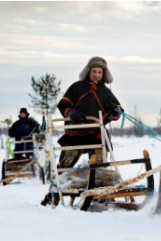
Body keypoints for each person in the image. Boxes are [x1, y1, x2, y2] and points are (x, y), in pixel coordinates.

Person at [41, 56, 123, 206]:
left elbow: (117, 109)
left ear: (103, 74)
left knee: (100, 166)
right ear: (88, 71)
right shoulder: (77, 87)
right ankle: (53, 193)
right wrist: (71, 113)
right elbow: (64, 104)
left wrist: (115, 112)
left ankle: (101, 195)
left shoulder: (105, 91)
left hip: (96, 134)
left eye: (100, 72)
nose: (97, 75)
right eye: (94, 71)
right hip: (75, 133)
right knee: (65, 165)